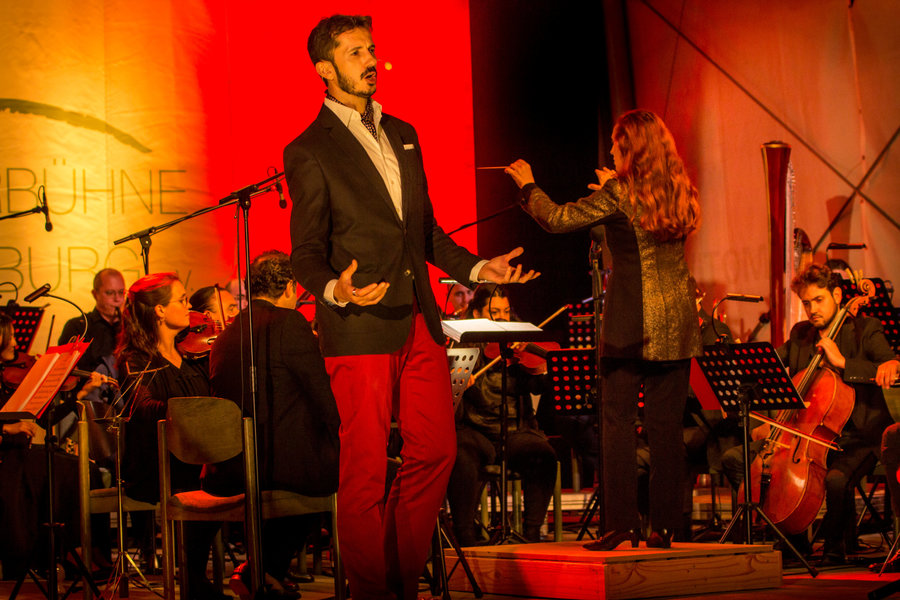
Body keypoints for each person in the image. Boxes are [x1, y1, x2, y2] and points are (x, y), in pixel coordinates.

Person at [283, 14, 539, 599]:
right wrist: (336, 289)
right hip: (359, 325)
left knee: (438, 452)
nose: (370, 60)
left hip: (420, 319)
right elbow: (305, 254)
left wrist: (480, 269)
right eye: (355, 53)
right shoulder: (308, 149)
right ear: (325, 69)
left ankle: (397, 579)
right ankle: (373, 590)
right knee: (365, 469)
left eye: (371, 50)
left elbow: (425, 233)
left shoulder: (404, 132)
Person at [506, 108, 702, 549]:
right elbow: (634, 225)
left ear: (629, 148)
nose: (611, 151)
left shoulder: (619, 191)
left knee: (616, 423)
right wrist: (609, 196)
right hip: (677, 322)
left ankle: (620, 524)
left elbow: (557, 219)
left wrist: (529, 187)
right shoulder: (679, 189)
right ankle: (664, 526)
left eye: (615, 145)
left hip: (632, 323)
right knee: (665, 429)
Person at [720, 263, 900, 564]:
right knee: (734, 458)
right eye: (806, 303)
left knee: (836, 480)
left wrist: (843, 363)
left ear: (838, 296)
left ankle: (835, 549)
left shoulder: (865, 329)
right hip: (805, 435)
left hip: (857, 436)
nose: (812, 309)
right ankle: (792, 539)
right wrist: (743, 363)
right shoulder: (802, 334)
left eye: (819, 300)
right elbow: (770, 366)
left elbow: (889, 365)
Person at [207, 250, 340, 595]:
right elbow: (324, 397)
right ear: (290, 287)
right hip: (276, 466)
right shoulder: (290, 323)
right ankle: (265, 571)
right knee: (356, 467)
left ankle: (263, 572)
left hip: (231, 465)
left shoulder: (226, 334)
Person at [116, 273, 224, 600]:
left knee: (234, 474)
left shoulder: (194, 356)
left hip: (196, 455)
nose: (190, 307)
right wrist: (193, 410)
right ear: (160, 311)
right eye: (182, 300)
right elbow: (143, 408)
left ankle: (200, 576)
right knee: (210, 478)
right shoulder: (136, 359)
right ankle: (193, 578)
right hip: (156, 463)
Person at [446, 284, 556, 546]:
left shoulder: (518, 343)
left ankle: (532, 533)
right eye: (494, 312)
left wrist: (540, 369)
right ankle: (466, 536)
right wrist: (458, 383)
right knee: (461, 454)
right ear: (476, 313)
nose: (503, 318)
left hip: (516, 430)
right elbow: (451, 400)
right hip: (476, 430)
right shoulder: (464, 343)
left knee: (543, 454)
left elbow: (538, 386)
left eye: (506, 311)